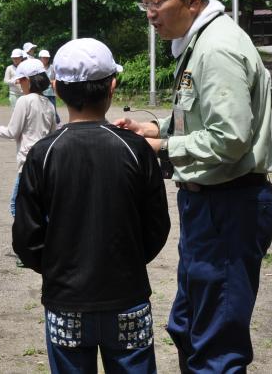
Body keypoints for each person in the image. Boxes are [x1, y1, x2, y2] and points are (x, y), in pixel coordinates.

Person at [117, 0, 272, 373]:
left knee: (215, 341)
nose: (150, 14)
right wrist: (155, 129)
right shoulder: (198, 44)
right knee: (190, 326)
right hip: (208, 205)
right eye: (145, 3)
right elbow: (203, 115)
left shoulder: (217, 49)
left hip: (228, 205)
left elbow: (231, 137)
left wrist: (164, 149)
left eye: (158, 1)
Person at [13, 38, 170, 373]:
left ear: (55, 86)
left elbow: (26, 236)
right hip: (127, 297)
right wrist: (126, 261)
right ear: (112, 86)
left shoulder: (43, 153)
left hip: (65, 301)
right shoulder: (136, 149)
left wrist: (58, 267)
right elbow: (157, 226)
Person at [0, 58, 56, 220]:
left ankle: (31, 241)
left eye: (20, 81)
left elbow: (12, 132)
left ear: (28, 80)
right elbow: (53, 135)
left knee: (16, 207)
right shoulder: (49, 104)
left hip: (27, 164)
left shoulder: (24, 101)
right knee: (42, 208)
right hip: (45, 164)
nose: (19, 84)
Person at [38, 49, 61, 125]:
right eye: (44, 57)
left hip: (51, 92)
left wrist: (53, 82)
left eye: (47, 58)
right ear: (40, 58)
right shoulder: (38, 68)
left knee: (53, 109)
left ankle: (57, 123)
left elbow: (56, 78)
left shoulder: (52, 67)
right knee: (42, 110)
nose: (45, 59)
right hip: (41, 92)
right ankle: (45, 124)